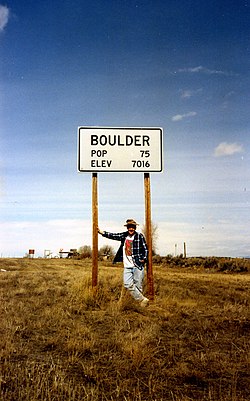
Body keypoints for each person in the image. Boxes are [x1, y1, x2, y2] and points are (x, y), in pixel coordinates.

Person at [98, 219, 149, 307]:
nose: (131, 229)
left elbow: (145, 249)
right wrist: (102, 232)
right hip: (127, 266)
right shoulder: (124, 235)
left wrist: (144, 259)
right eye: (129, 227)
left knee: (138, 285)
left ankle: (139, 305)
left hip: (137, 265)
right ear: (127, 228)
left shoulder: (139, 236)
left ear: (135, 228)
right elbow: (113, 235)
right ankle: (142, 299)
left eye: (133, 227)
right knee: (127, 283)